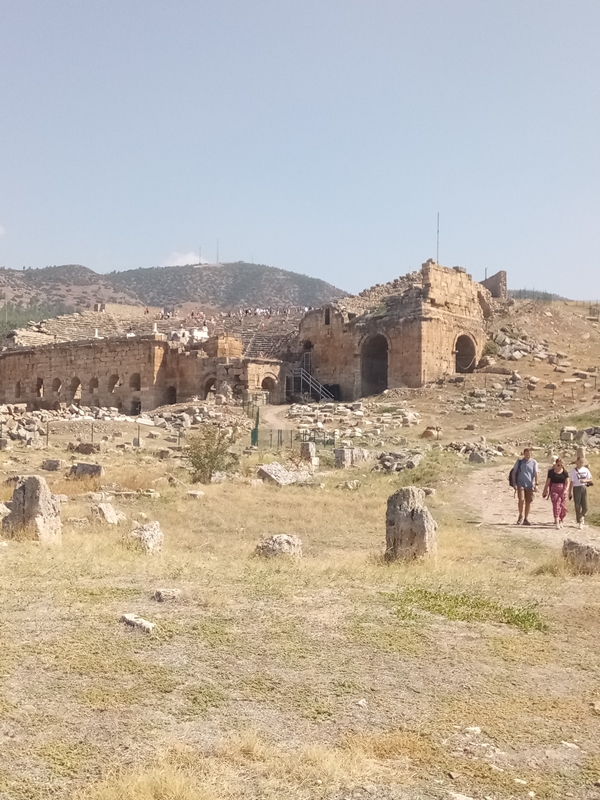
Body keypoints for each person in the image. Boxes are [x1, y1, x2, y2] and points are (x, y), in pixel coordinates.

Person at [511, 448, 539, 526]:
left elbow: (536, 473)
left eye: (529, 454)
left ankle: (526, 519)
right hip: (520, 484)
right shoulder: (519, 462)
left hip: (530, 485)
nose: (527, 456)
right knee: (521, 499)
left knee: (528, 502)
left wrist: (536, 484)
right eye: (526, 454)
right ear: (524, 454)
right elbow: (514, 472)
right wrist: (514, 483)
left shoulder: (534, 462)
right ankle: (520, 515)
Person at [542, 458, 570, 529]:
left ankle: (561, 520)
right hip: (554, 489)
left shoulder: (565, 472)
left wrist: (566, 489)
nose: (559, 466)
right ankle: (557, 520)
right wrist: (545, 490)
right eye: (558, 464)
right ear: (556, 464)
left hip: (563, 489)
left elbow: (567, 482)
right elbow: (548, 482)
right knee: (556, 504)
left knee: (562, 506)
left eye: (561, 465)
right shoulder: (551, 472)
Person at [569, 456, 593, 529]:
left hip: (583, 487)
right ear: (577, 462)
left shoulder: (585, 470)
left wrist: (585, 481)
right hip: (576, 488)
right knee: (577, 505)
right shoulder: (573, 471)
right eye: (580, 462)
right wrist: (570, 492)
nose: (581, 464)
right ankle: (579, 521)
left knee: (585, 506)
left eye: (582, 462)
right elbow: (571, 482)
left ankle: (582, 516)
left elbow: (590, 478)